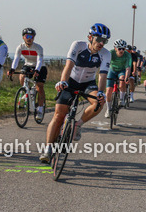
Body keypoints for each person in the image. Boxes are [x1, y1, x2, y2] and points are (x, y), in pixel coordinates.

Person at [39, 23, 111, 164]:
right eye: (98, 39)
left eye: (105, 41)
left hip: (88, 83)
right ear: (90, 37)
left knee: (98, 103)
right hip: (71, 81)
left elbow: (103, 75)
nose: (101, 43)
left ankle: (77, 125)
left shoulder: (105, 54)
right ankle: (48, 149)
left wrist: (101, 92)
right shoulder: (78, 45)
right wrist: (63, 81)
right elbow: (69, 66)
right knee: (59, 115)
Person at [8, 27, 47, 119]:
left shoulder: (38, 47)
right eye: (27, 36)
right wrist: (12, 69)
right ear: (23, 37)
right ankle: (27, 91)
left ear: (33, 38)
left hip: (40, 67)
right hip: (28, 65)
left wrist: (37, 70)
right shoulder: (20, 47)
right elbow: (16, 59)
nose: (29, 38)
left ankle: (40, 109)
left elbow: (39, 60)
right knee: (22, 76)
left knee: (39, 87)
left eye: (31, 37)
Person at [104, 40, 132, 116]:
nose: (121, 50)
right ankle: (108, 109)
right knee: (109, 90)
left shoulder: (127, 55)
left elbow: (128, 68)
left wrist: (126, 77)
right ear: (115, 48)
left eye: (123, 49)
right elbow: (105, 64)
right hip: (112, 70)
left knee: (122, 79)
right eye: (119, 48)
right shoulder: (111, 53)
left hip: (121, 71)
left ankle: (121, 99)